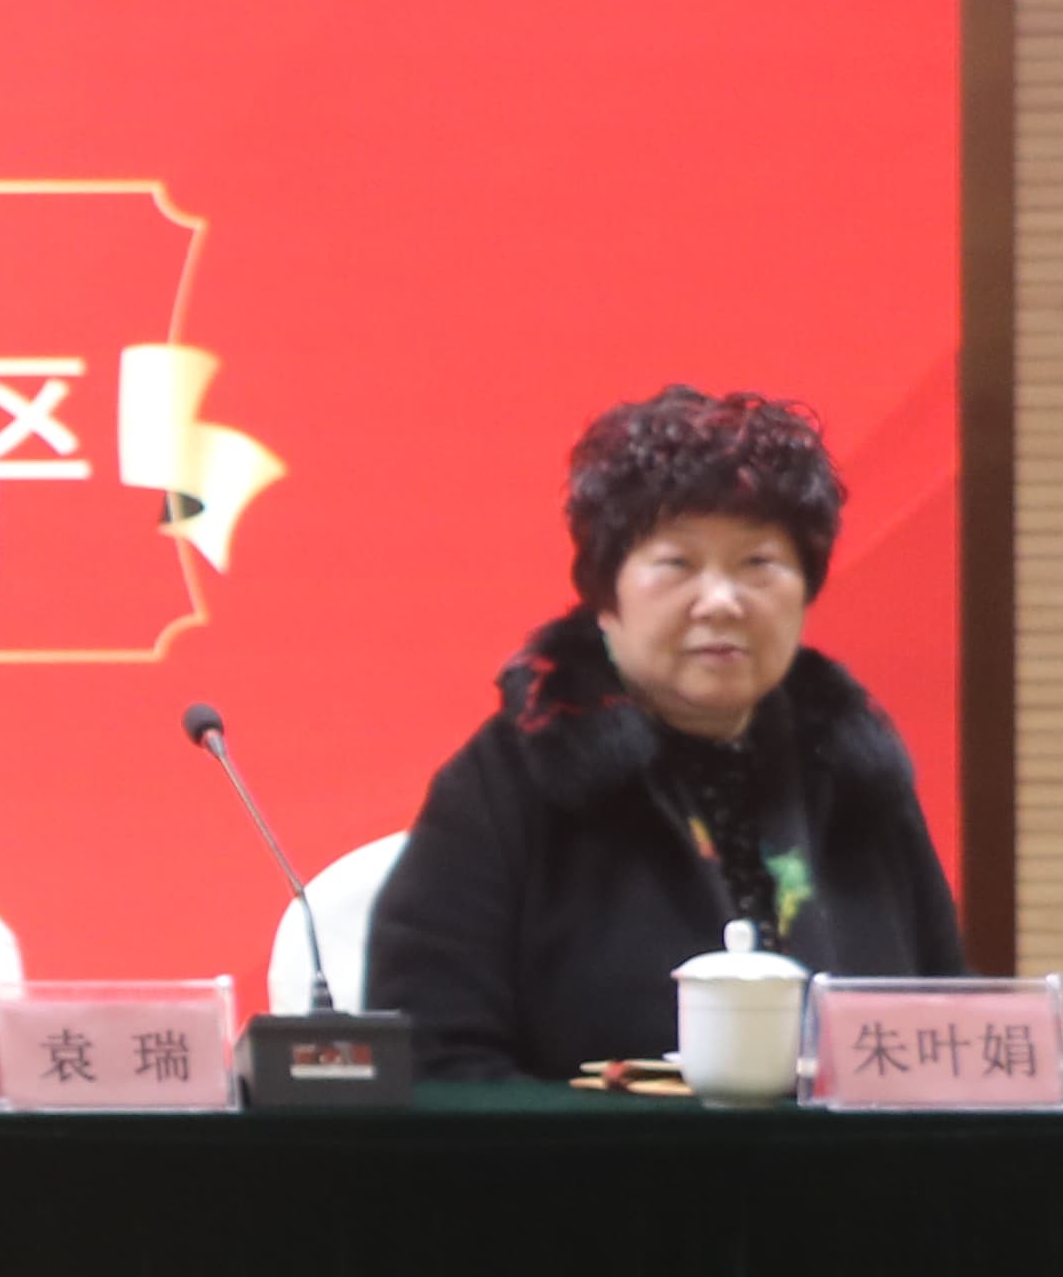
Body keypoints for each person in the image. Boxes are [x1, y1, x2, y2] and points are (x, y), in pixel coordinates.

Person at [364, 386, 965, 1081]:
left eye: (759, 565)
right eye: (677, 564)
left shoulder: (856, 774)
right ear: (605, 596)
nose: (721, 601)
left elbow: (948, 1031)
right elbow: (434, 1061)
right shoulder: (506, 784)